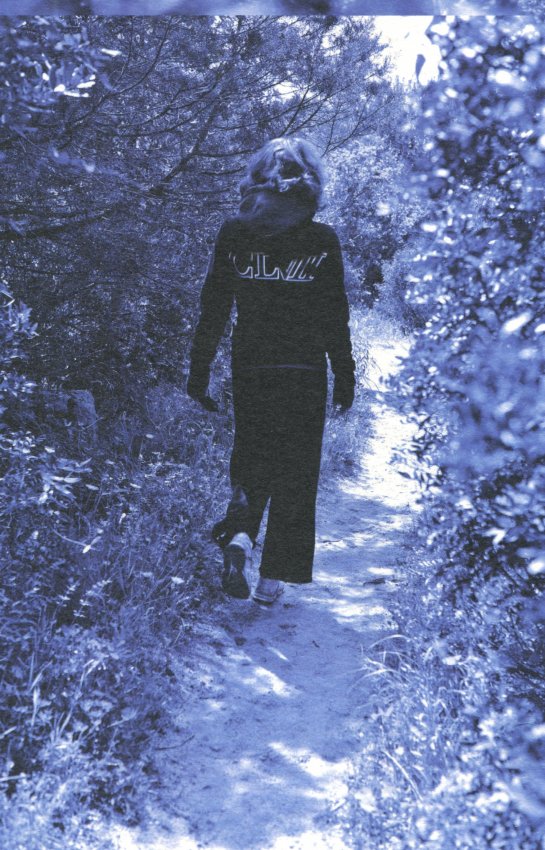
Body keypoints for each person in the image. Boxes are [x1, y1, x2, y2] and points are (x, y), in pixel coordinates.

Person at [187, 136, 355, 605]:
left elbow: (214, 305)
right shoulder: (321, 239)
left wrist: (199, 370)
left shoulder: (234, 233)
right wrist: (345, 375)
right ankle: (271, 582)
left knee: (251, 457)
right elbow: (334, 316)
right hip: (304, 369)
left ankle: (241, 537)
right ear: (309, 182)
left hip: (252, 367)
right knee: (296, 472)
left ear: (257, 177)